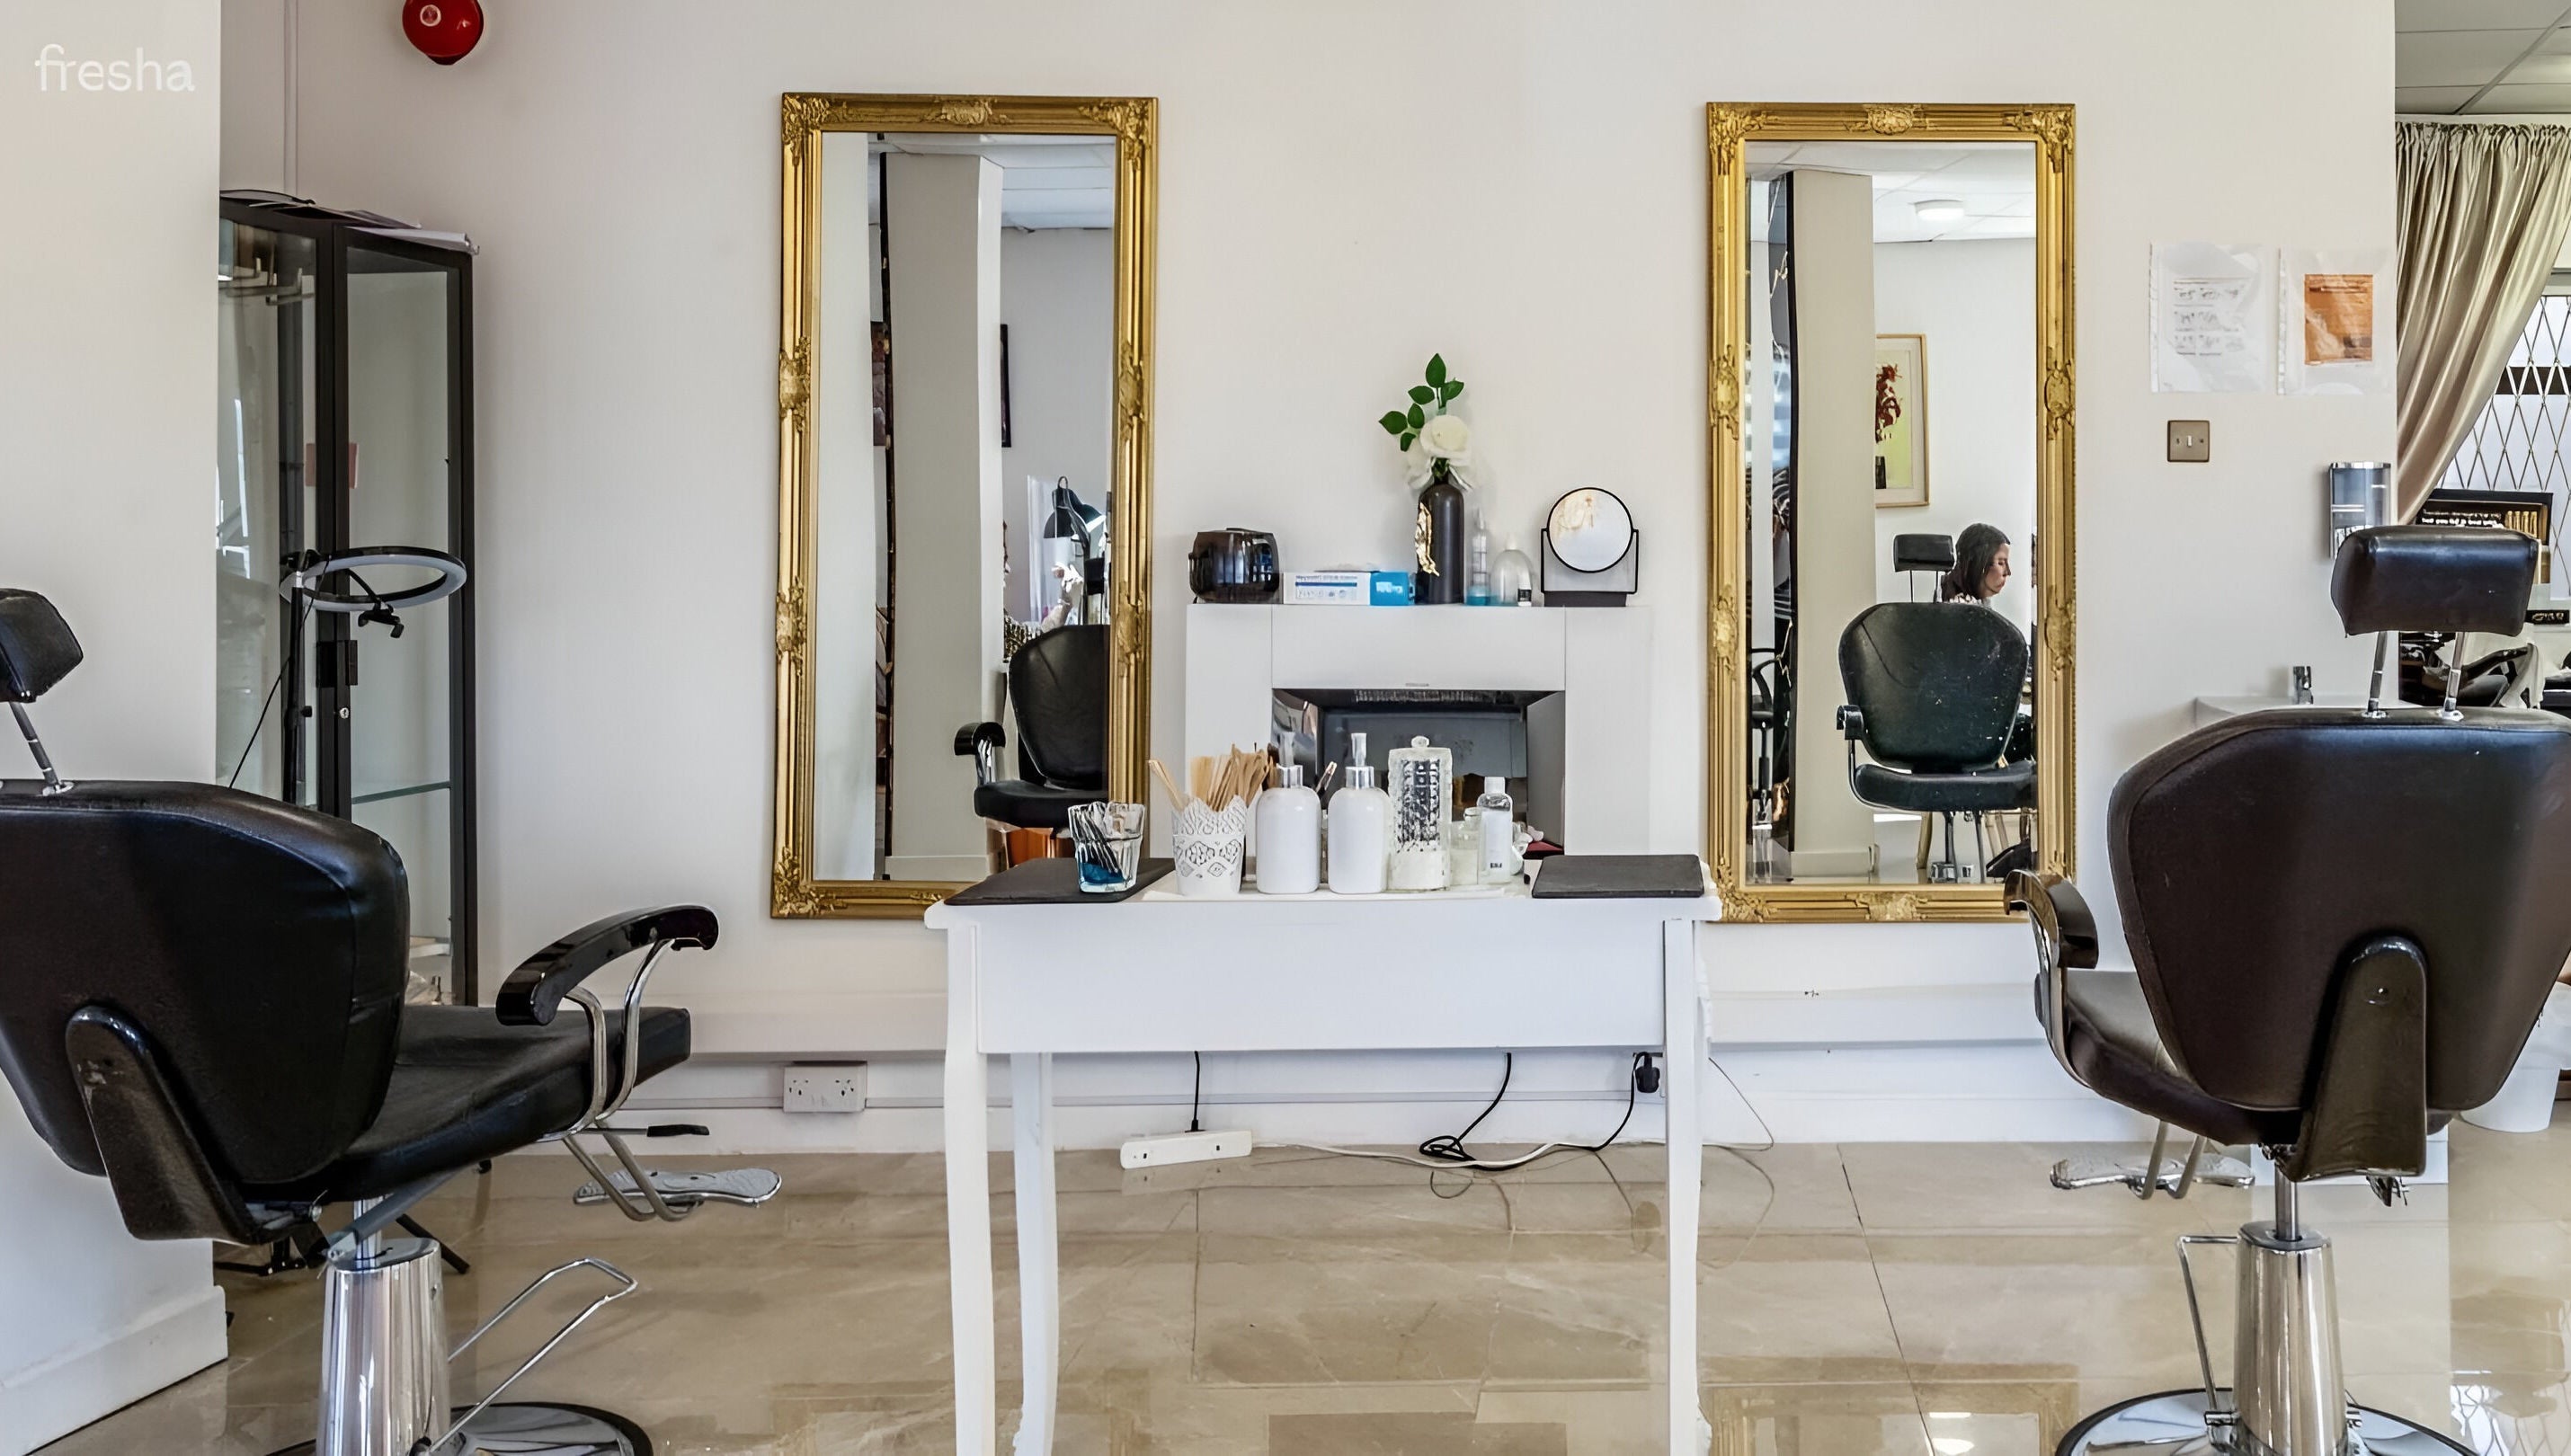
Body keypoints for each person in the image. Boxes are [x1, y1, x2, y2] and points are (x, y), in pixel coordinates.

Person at [1940, 523, 2011, 605]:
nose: (2008, 572)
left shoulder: (1980, 601)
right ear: (1976, 563)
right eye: (2000, 563)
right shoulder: (1958, 605)